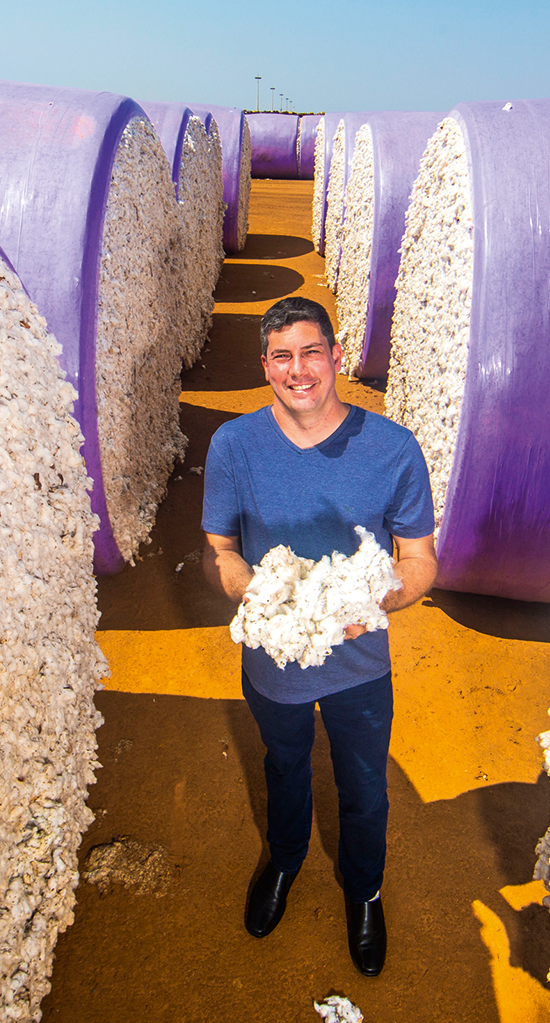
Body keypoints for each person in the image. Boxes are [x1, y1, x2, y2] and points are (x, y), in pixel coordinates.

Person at [201, 296, 437, 977]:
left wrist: (374, 600)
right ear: (266, 367)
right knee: (284, 766)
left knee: (364, 786)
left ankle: (364, 891)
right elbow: (221, 546)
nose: (297, 370)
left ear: (336, 356)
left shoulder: (393, 449)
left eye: (310, 352)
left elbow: (420, 561)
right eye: (281, 356)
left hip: (360, 666)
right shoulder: (234, 446)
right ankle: (285, 860)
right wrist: (255, 593)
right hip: (275, 664)